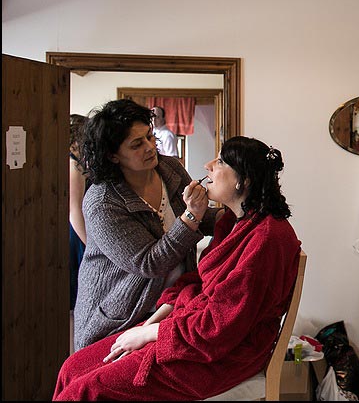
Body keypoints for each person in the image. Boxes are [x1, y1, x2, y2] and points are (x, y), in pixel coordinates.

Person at [53, 137, 300, 401]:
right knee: (72, 367)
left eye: (219, 161)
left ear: (244, 180)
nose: (208, 166)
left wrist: (149, 334)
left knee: (87, 389)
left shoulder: (267, 240)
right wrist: (152, 321)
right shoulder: (231, 221)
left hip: (223, 352)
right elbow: (198, 281)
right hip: (189, 327)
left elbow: (220, 328)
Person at [72, 99, 215, 351]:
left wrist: (240, 214)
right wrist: (191, 216)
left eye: (150, 137)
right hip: (123, 315)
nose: (150, 147)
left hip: (170, 305)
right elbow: (150, 263)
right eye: (137, 144)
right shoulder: (103, 202)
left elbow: (199, 216)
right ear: (112, 155)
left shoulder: (169, 167)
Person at [68, 114, 89, 312]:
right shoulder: (74, 166)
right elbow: (74, 209)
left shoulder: (78, 163)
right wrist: (89, 244)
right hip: (77, 231)